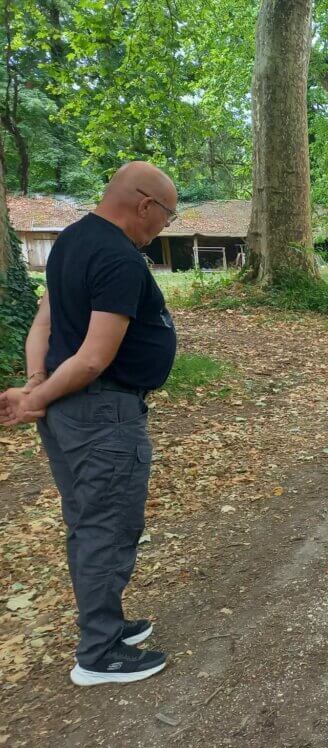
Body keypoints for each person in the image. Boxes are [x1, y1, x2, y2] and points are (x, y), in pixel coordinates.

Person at [0, 161, 178, 686]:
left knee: (89, 519)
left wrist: (36, 384)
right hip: (101, 413)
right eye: (166, 216)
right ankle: (99, 654)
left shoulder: (71, 242)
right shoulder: (117, 256)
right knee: (108, 525)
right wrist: (36, 398)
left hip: (70, 413)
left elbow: (44, 325)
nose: (163, 226)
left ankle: (108, 624)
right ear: (144, 205)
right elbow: (94, 358)